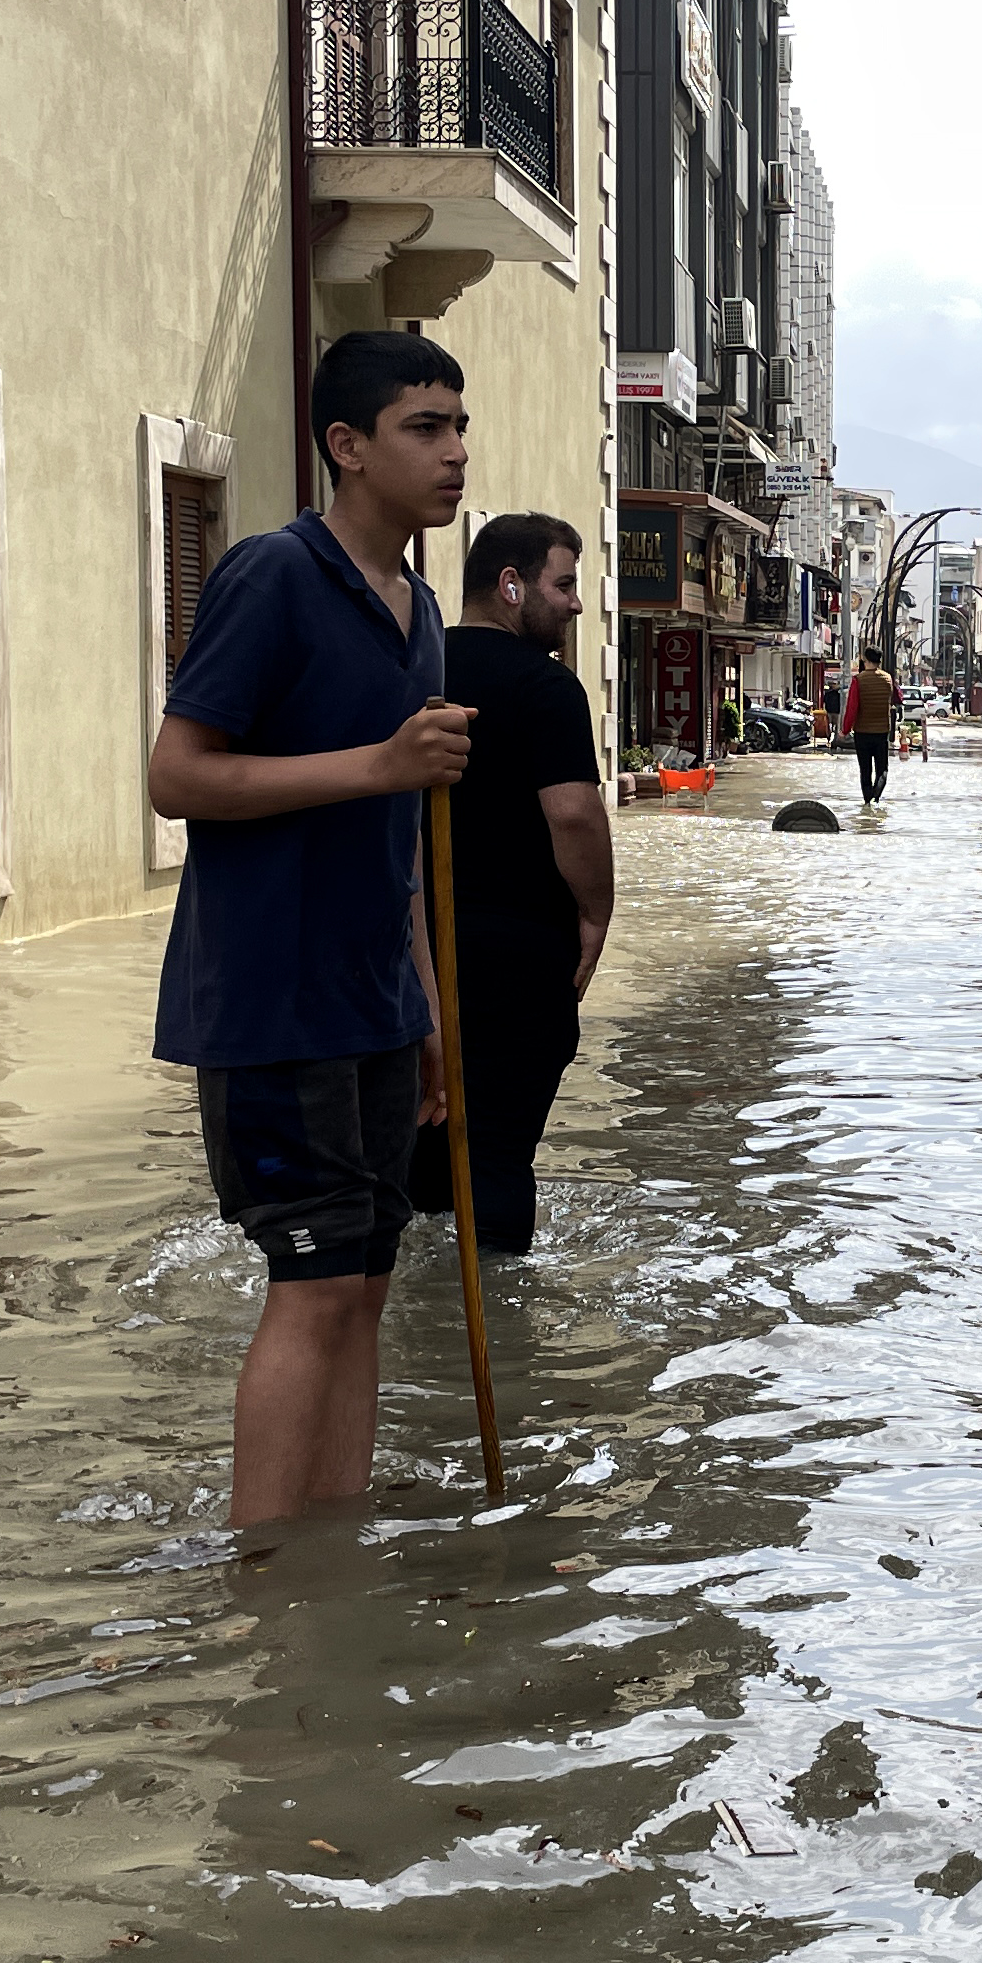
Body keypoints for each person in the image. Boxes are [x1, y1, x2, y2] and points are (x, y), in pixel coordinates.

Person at [148, 328, 473, 1521]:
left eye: (459, 427)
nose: (454, 453)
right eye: (424, 428)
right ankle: (266, 1572)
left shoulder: (421, 609)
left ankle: (334, 1550)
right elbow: (177, 775)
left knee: (367, 1282)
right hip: (273, 1000)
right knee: (315, 1283)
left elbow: (402, 850)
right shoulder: (272, 575)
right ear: (348, 445)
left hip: (375, 1003)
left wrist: (425, 1012)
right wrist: (379, 763)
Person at [404, 512, 614, 1257]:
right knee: (495, 1157)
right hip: (513, 963)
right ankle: (497, 1314)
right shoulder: (546, 687)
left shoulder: (411, 669)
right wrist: (596, 914)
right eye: (564, 585)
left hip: (404, 955)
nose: (576, 604)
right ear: (511, 585)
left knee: (419, 1155)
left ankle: (416, 1317)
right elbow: (574, 816)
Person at [841, 649, 899, 803]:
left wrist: (845, 730)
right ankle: (876, 797)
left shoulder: (858, 680)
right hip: (882, 732)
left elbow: (852, 708)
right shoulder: (887, 679)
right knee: (882, 770)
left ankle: (867, 802)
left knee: (865, 770)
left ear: (865, 660)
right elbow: (896, 698)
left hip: (862, 732)